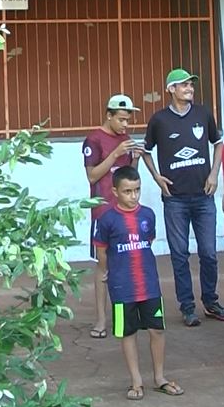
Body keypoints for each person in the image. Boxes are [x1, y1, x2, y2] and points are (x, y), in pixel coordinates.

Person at [142, 68, 224, 327]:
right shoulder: (159, 120)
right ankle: (187, 307)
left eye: (191, 84)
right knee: (180, 254)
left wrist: (214, 174)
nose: (189, 88)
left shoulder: (203, 114)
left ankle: (211, 301)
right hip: (175, 199)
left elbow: (219, 143)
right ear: (171, 89)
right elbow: (146, 151)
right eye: (183, 85)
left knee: (209, 253)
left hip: (203, 197)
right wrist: (157, 177)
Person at [93, 166, 184, 400]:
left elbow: (149, 240)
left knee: (157, 330)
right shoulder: (106, 220)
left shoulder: (148, 215)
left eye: (137, 190)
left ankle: (160, 377)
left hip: (149, 285)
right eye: (127, 191)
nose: (133, 196)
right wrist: (107, 271)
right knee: (128, 333)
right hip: (122, 289)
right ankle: (136, 381)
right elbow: (102, 252)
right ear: (115, 192)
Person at [82, 94, 142, 339]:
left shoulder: (125, 140)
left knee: (128, 263)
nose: (125, 125)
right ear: (109, 115)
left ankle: (126, 315)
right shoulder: (94, 140)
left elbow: (129, 177)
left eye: (127, 121)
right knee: (103, 267)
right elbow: (92, 175)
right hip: (103, 211)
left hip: (124, 212)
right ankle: (100, 320)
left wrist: (135, 159)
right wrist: (116, 153)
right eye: (121, 120)